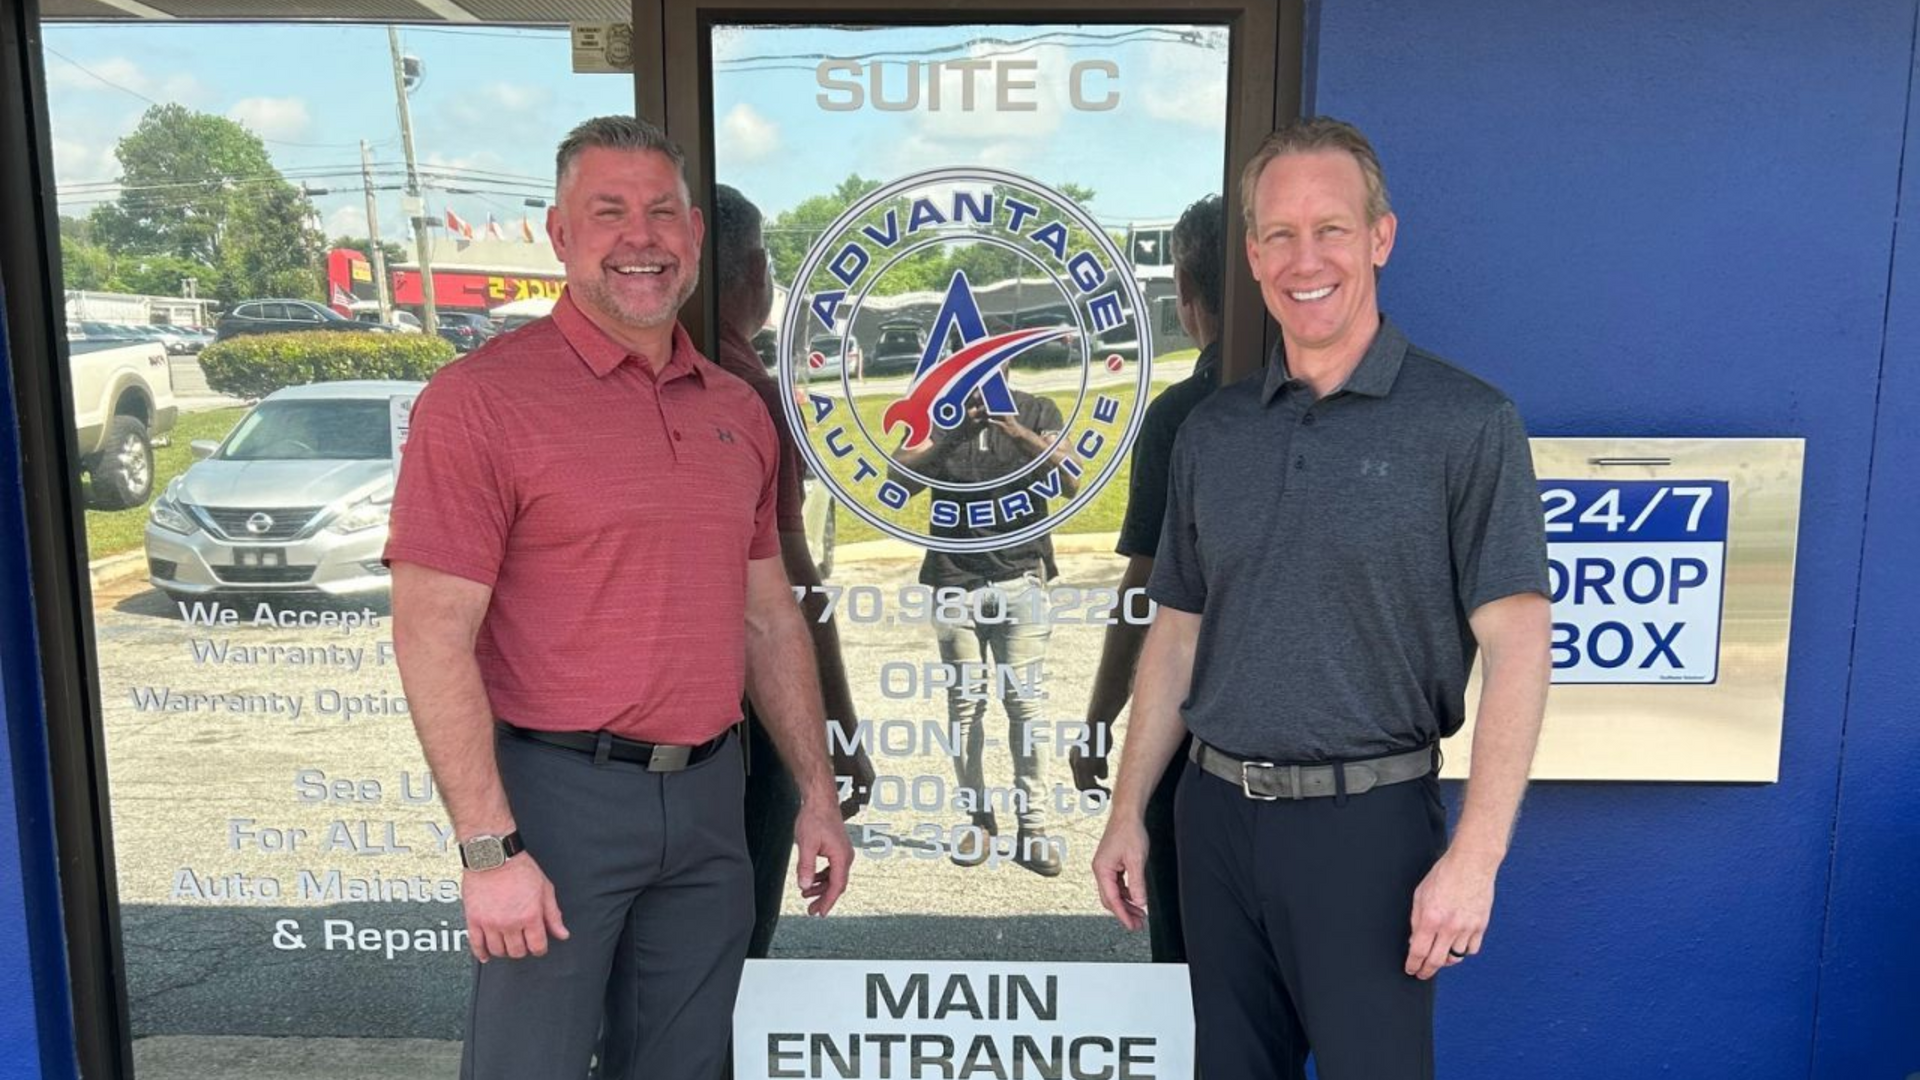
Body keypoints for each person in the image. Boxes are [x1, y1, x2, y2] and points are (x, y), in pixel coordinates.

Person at [384, 115, 853, 1080]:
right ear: (560, 235)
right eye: (609, 212)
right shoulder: (481, 402)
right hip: (557, 805)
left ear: (692, 235)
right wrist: (488, 851)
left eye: (661, 213)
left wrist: (815, 792)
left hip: (713, 796)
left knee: (685, 1065)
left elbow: (766, 614)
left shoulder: (733, 410)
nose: (640, 238)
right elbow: (432, 636)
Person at [1091, 117, 1551, 1080]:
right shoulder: (1213, 433)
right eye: (1281, 235)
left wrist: (1476, 860)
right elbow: (1179, 632)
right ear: (1253, 256)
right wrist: (1129, 807)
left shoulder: (1466, 423)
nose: (1308, 259)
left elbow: (1519, 647)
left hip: (1369, 832)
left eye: (1332, 229)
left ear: (1380, 237)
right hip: (1213, 822)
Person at [699, 183, 876, 955]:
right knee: (734, 944)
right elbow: (790, 586)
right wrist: (835, 730)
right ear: (757, 273)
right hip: (745, 722)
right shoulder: (749, 395)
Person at [1072, 193, 1226, 964]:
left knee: (1187, 958)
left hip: (1187, 741)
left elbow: (1145, 590)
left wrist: (1102, 716)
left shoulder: (1183, 417)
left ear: (1188, 300)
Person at [890, 371, 1076, 877]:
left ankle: (1033, 828)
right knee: (964, 707)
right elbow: (896, 481)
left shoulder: (1038, 411)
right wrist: (952, 435)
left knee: (1025, 707)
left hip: (1021, 576)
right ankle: (977, 820)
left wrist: (1016, 431)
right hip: (954, 581)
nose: (979, 382)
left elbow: (1072, 478)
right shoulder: (936, 415)